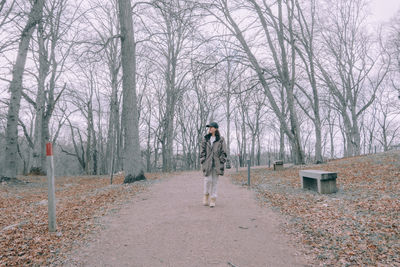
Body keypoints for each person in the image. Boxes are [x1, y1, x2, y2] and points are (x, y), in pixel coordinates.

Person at [200, 122, 227, 208]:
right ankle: (205, 195)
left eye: (211, 127)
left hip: (217, 163)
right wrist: (203, 160)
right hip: (207, 163)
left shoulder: (221, 139)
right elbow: (202, 151)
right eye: (209, 127)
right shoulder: (205, 139)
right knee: (207, 180)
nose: (210, 129)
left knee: (215, 181)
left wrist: (221, 161)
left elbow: (224, 151)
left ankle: (213, 199)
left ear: (216, 128)